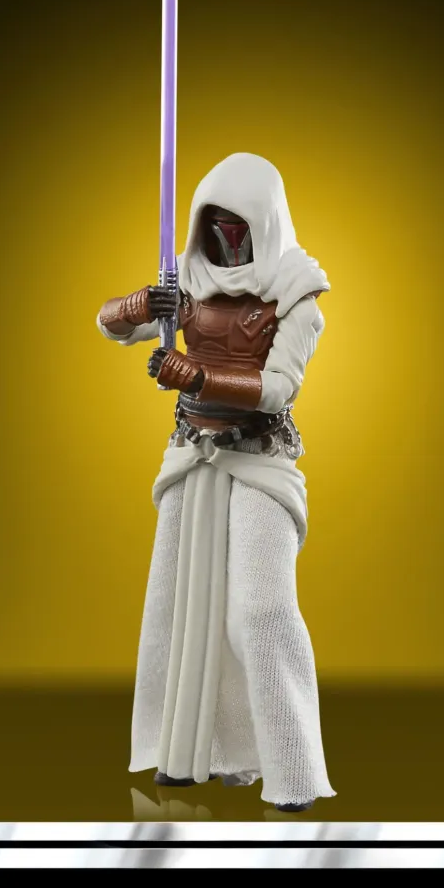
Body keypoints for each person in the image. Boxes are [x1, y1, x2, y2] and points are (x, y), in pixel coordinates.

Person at [96, 152, 334, 812]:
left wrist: (197, 375)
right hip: (191, 455)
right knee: (177, 607)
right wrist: (142, 304)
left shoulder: (296, 295)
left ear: (264, 224)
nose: (227, 243)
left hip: (259, 459)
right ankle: (186, 752)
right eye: (216, 228)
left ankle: (293, 769)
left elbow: (279, 387)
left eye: (239, 229)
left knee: (261, 611)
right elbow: (111, 325)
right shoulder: (187, 283)